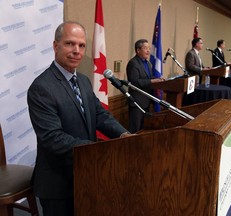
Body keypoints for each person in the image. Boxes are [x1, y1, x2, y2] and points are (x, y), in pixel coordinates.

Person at [27, 21, 131, 216]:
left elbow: (100, 115)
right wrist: (96, 150)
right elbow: (53, 138)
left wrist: (123, 134)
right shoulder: (41, 88)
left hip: (86, 172)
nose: (76, 50)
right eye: (69, 44)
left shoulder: (83, 80)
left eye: (81, 45)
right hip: (58, 183)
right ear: (55, 46)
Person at [126, 39, 164, 133]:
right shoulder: (133, 63)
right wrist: (152, 81)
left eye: (149, 48)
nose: (148, 51)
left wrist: (158, 79)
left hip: (146, 101)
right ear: (138, 50)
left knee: (143, 129)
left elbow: (149, 78)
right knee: (135, 129)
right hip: (137, 102)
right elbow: (134, 82)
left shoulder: (148, 63)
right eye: (145, 48)